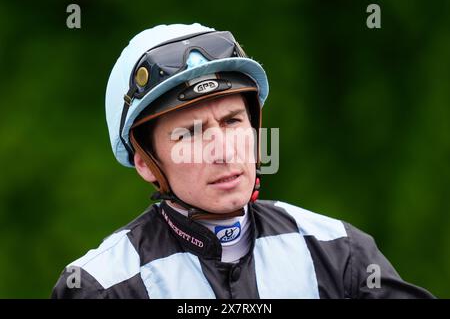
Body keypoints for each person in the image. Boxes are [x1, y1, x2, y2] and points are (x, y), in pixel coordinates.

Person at [51, 23, 434, 299]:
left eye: (233, 121)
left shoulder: (340, 252)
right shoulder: (100, 285)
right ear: (146, 164)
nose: (224, 149)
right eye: (191, 133)